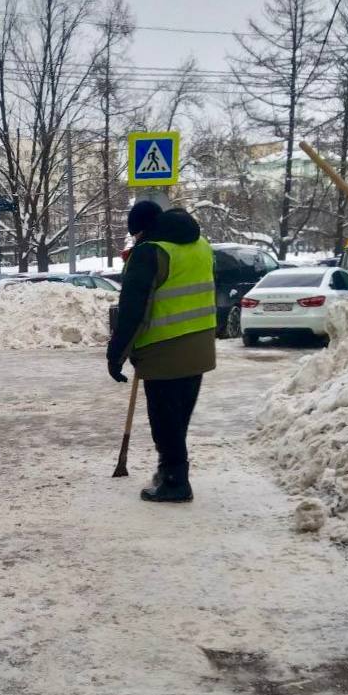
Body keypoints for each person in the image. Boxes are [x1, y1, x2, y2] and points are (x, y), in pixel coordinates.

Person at [107, 200, 216, 503]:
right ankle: (169, 469)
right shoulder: (201, 246)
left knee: (164, 420)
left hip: (164, 349)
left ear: (142, 230)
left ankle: (175, 481)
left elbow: (132, 311)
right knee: (178, 418)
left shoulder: (150, 252)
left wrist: (115, 355)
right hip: (201, 345)